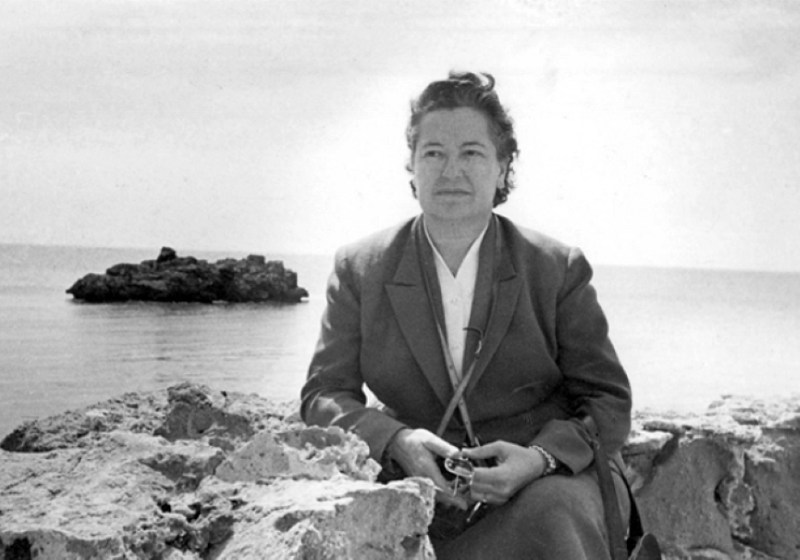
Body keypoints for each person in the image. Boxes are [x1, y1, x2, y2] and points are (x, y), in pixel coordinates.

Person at [301, 71, 632, 559]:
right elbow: (323, 393)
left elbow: (608, 400)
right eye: (433, 153)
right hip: (418, 478)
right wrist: (397, 440)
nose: (451, 170)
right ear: (412, 167)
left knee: (551, 516)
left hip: (546, 480)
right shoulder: (360, 268)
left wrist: (539, 459)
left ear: (502, 168)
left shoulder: (556, 267)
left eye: (472, 153)